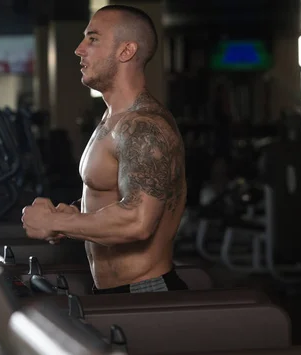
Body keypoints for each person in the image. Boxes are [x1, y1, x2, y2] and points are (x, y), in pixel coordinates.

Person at [21, 5, 188, 294]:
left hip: (145, 292)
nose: (78, 49)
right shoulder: (113, 118)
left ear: (126, 52)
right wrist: (75, 215)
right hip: (116, 290)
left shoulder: (145, 126)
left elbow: (138, 221)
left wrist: (54, 221)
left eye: (93, 39)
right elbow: (118, 195)